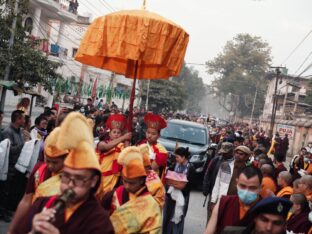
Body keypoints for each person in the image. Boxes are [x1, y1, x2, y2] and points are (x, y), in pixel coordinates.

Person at [18, 112, 114, 234]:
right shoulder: (42, 204)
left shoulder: (100, 222)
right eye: (65, 177)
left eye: (78, 179)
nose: (69, 185)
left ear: (93, 181)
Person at [8, 127, 68, 234]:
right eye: (48, 160)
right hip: (31, 221)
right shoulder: (39, 169)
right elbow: (26, 201)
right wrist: (11, 230)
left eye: (55, 162)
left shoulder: (71, 179)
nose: (49, 165)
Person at [103, 146, 162, 233]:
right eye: (125, 181)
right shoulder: (117, 192)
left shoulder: (151, 205)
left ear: (142, 180)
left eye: (132, 183)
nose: (127, 186)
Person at [205, 166, 263, 234]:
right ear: (236, 183)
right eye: (242, 186)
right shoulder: (224, 202)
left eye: (252, 188)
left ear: (260, 188)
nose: (246, 191)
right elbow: (209, 231)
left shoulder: (264, 208)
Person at [96, 114, 132, 198]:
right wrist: (123, 137)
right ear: (109, 134)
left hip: (114, 183)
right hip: (100, 180)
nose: (116, 134)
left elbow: (128, 155)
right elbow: (106, 147)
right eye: (114, 132)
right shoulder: (101, 143)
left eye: (118, 132)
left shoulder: (122, 146)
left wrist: (127, 139)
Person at [163, 147, 194, 234]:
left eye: (177, 157)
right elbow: (168, 175)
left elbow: (190, 185)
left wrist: (180, 185)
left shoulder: (190, 168)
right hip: (171, 194)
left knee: (178, 217)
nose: (176, 159)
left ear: (183, 157)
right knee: (168, 216)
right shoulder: (175, 164)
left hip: (183, 195)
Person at [2, 110, 25, 214]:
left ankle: (8, 209)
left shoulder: (20, 131)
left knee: (12, 190)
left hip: (17, 166)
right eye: (22, 118)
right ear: (17, 119)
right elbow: (9, 150)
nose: (24, 120)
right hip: (9, 166)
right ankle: (3, 211)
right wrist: (23, 146)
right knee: (5, 191)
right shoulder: (7, 132)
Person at [138, 113, 168, 179]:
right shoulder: (141, 143)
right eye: (148, 132)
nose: (149, 136)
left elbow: (151, 169)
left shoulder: (162, 151)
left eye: (153, 134)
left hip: (151, 179)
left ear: (158, 136)